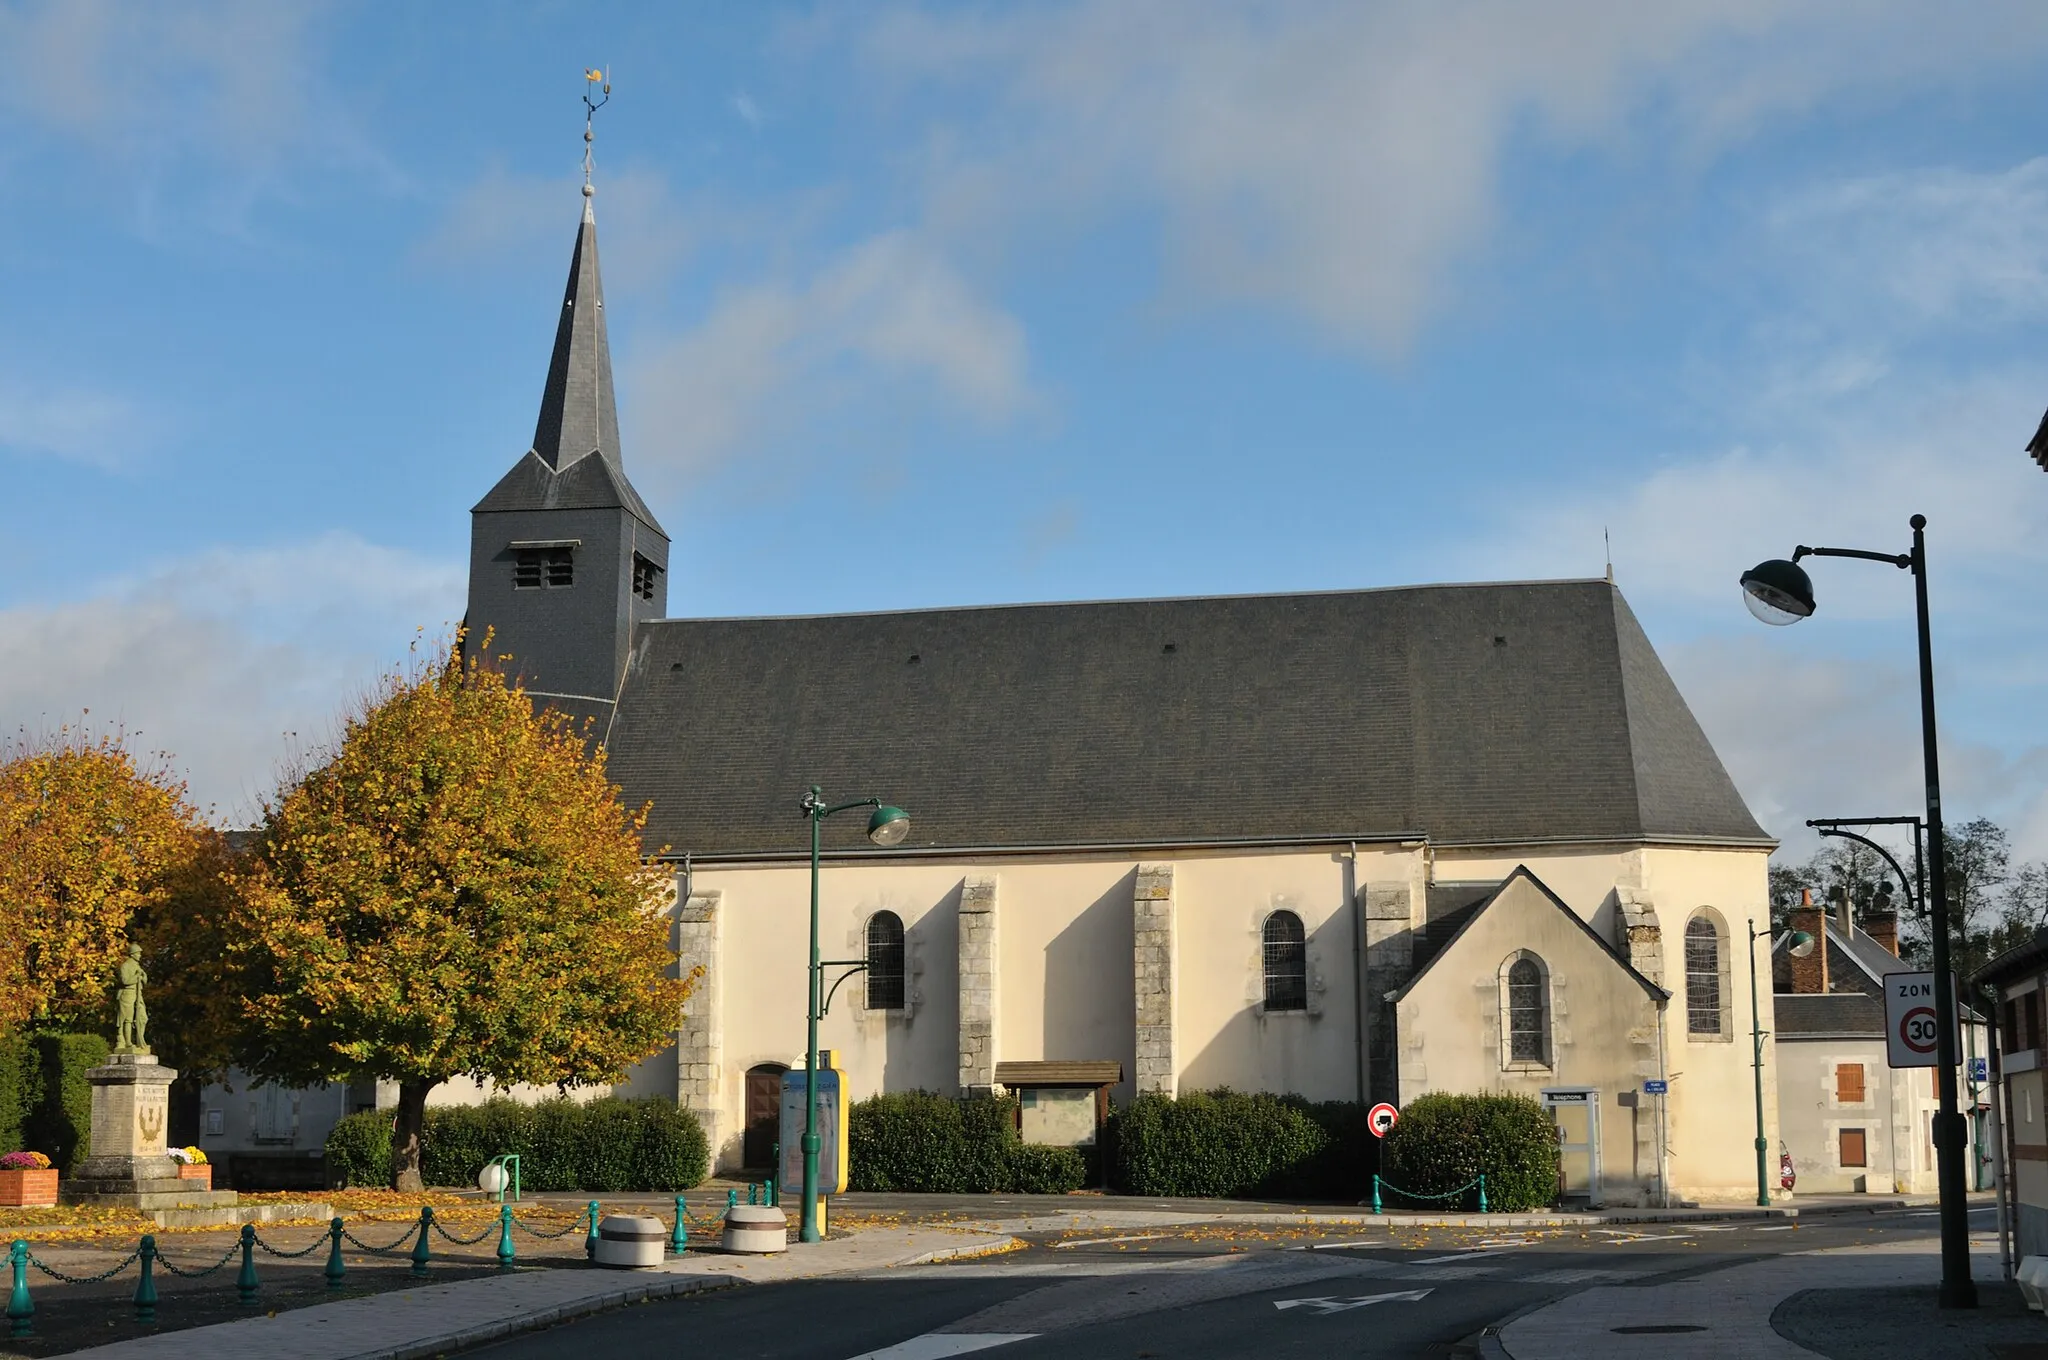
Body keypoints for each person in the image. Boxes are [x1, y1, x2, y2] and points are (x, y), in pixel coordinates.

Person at [115, 944, 149, 1051]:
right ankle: (126, 1042)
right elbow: (125, 981)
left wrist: (143, 975)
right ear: (132, 954)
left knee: (143, 1017)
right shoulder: (125, 966)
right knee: (127, 1019)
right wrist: (136, 976)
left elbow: (145, 981)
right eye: (138, 953)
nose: (140, 955)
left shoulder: (137, 966)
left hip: (138, 994)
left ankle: (140, 1040)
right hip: (128, 993)